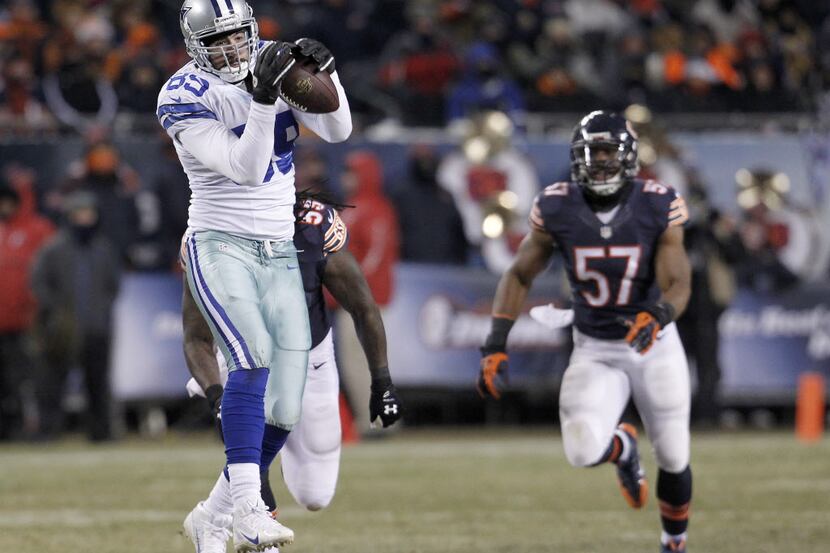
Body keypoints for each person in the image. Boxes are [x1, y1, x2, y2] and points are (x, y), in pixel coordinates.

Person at [157, 1, 352, 551]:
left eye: (237, 37)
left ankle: (210, 515)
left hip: (278, 246)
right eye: (216, 41)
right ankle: (248, 505)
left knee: (287, 403)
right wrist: (265, 99)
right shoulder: (182, 94)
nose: (232, 49)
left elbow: (338, 130)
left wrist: (327, 71)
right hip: (220, 240)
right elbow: (246, 167)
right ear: (195, 45)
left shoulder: (273, 60)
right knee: (254, 360)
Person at [477, 111, 694, 553]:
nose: (598, 161)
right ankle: (623, 448)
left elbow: (680, 282)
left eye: (607, 151)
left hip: (653, 344)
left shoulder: (657, 203)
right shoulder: (557, 205)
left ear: (629, 157)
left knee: (673, 454)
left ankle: (674, 543)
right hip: (594, 346)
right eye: (590, 152)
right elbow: (519, 276)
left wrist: (658, 314)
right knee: (581, 449)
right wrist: (495, 344)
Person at [181, 191, 403, 553]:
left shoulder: (311, 231)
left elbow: (363, 307)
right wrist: (215, 395)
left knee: (315, 494)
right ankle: (250, 516)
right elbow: (195, 336)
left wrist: (382, 381)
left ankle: (211, 514)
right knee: (250, 441)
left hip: (308, 357)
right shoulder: (209, 234)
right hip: (243, 359)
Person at [31, 191, 121, 442]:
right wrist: (56, 310)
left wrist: (101, 311)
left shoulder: (103, 249)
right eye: (79, 214)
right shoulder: (54, 248)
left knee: (97, 383)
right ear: (69, 216)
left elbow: (113, 286)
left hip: (97, 328)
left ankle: (101, 433)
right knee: (52, 382)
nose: (84, 219)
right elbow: (39, 282)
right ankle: (47, 431)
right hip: (61, 329)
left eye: (89, 214)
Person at [336, 150, 400, 436]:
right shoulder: (351, 207)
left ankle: (380, 421)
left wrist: (354, 289)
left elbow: (375, 255)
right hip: (351, 300)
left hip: (366, 300)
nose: (346, 178)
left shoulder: (375, 208)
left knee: (369, 361)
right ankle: (372, 420)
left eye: (352, 172)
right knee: (354, 362)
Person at [0, 171, 54, 440]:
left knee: (30, 378)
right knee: (7, 381)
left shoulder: (39, 229)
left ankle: (35, 428)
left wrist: (42, 308)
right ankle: (9, 428)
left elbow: (51, 273)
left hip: (29, 321)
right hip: (3, 321)